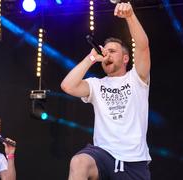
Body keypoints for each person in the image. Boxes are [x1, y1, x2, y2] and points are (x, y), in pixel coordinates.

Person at [61, 2, 151, 180]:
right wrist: (91, 58)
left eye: (112, 51)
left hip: (134, 162)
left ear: (125, 58)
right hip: (104, 156)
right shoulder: (96, 84)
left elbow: (142, 46)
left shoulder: (136, 78)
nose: (107, 55)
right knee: (79, 162)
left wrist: (130, 16)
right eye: (105, 51)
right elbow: (67, 86)